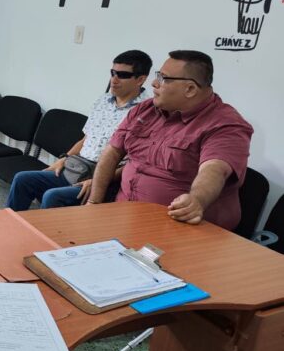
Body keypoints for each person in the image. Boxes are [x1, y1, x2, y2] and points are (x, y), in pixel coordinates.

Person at [87, 50, 253, 230]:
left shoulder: (226, 124)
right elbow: (112, 152)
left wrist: (196, 199)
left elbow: (214, 169)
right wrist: (94, 203)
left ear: (190, 89)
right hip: (122, 213)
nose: (154, 83)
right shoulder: (145, 109)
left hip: (178, 227)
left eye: (163, 78)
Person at [6, 50, 153, 211]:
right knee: (23, 179)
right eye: (113, 73)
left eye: (123, 75)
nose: (114, 79)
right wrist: (64, 158)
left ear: (141, 79)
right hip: (78, 167)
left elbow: (135, 162)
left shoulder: (147, 113)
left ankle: (43, 228)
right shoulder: (103, 100)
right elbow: (86, 139)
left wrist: (98, 181)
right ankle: (10, 224)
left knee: (53, 196)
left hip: (108, 177)